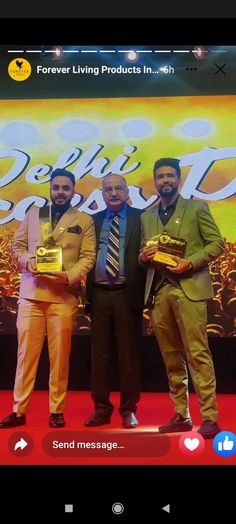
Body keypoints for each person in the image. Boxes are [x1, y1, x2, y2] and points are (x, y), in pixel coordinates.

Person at [0, 168, 96, 428]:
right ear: (50, 189)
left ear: (74, 190)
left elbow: (88, 257)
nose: (61, 192)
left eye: (66, 188)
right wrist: (28, 261)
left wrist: (69, 276)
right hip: (31, 294)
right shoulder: (33, 215)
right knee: (25, 356)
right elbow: (16, 246)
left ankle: (57, 410)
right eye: (56, 187)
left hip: (63, 296)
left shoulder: (84, 220)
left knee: (60, 357)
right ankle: (19, 411)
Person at [140, 158, 225, 439]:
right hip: (160, 291)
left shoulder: (197, 207)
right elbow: (145, 253)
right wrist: (143, 256)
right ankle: (181, 415)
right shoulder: (147, 215)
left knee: (198, 354)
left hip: (189, 288)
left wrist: (190, 263)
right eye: (160, 177)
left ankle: (210, 417)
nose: (165, 180)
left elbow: (217, 243)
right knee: (171, 357)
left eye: (169, 176)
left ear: (178, 179)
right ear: (155, 182)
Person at [84, 174, 145, 428]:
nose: (113, 193)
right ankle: (101, 408)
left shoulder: (140, 218)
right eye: (108, 189)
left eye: (118, 188)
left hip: (125, 293)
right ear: (102, 193)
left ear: (127, 191)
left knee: (128, 356)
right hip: (98, 294)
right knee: (100, 356)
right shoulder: (92, 221)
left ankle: (128, 408)